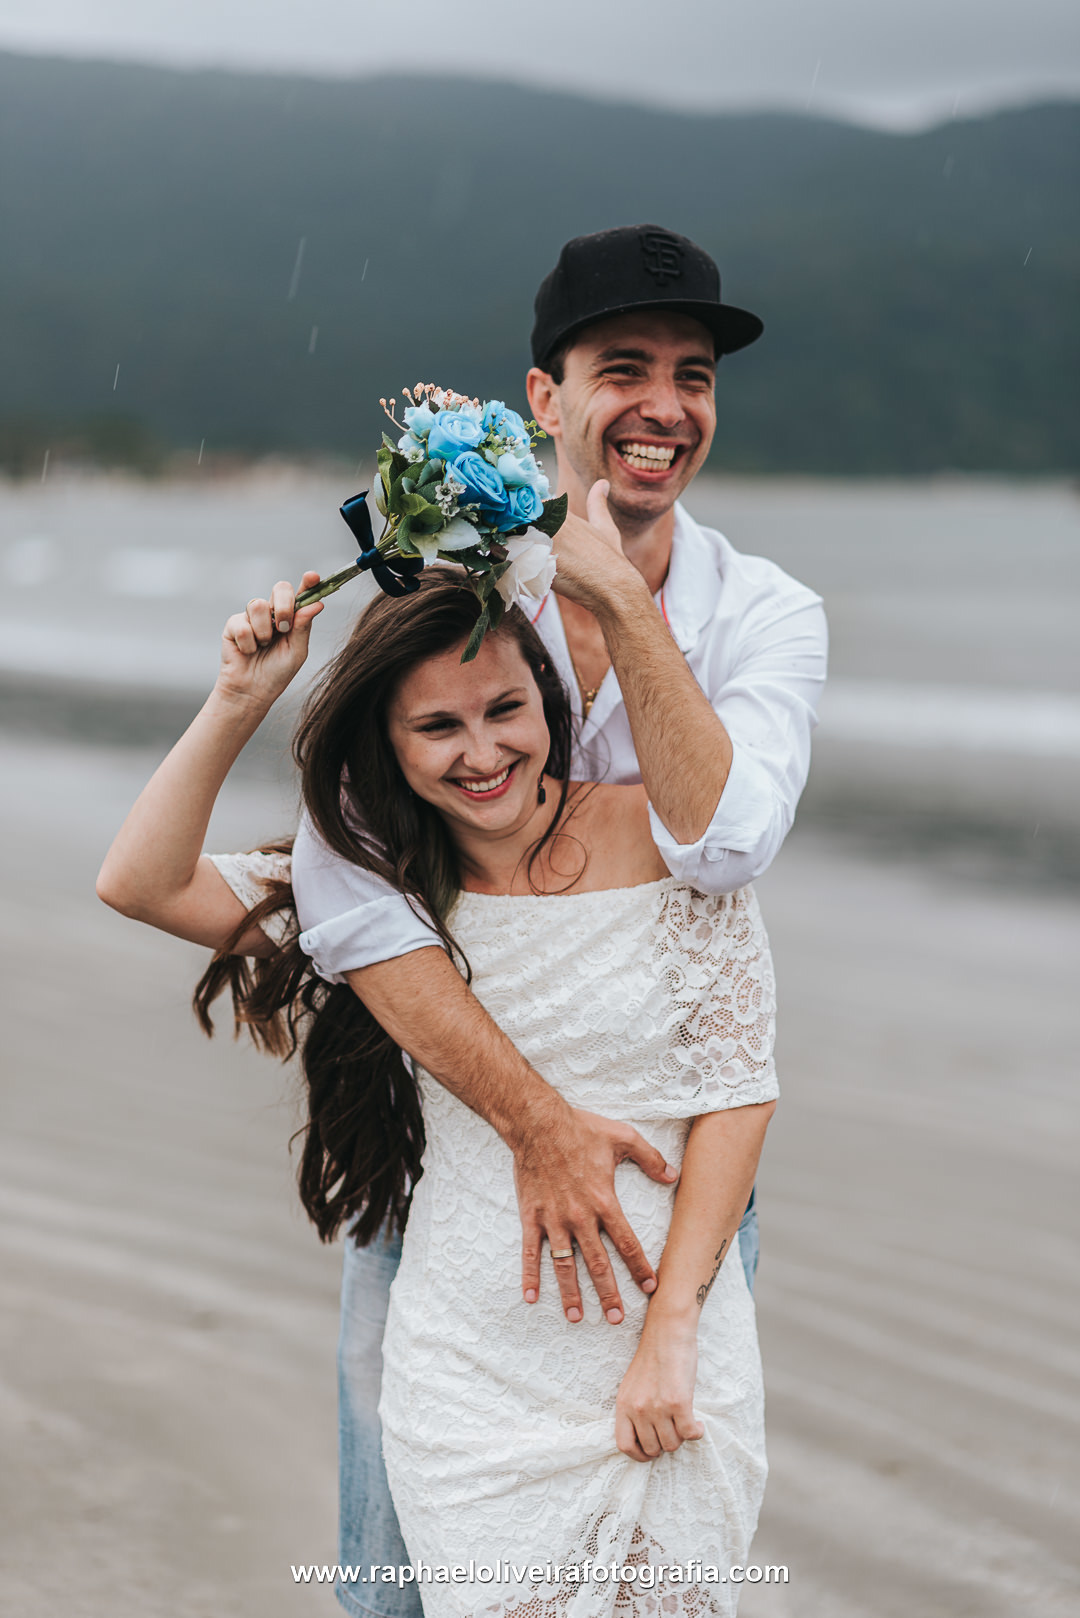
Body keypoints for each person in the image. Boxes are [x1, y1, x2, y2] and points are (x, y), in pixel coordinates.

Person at [289, 225, 827, 1617]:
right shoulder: (450, 594)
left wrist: (612, 602)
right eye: (624, 369)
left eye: (694, 377)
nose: (664, 407)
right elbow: (347, 882)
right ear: (545, 398)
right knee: (395, 1575)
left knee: (663, 1559)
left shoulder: (767, 614)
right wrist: (534, 1125)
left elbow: (724, 844)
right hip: (459, 1174)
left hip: (671, 1190)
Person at [98, 566, 779, 1618]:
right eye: (437, 728)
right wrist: (241, 694)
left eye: (507, 708)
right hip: (473, 1373)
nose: (483, 751)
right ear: (392, 746)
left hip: (667, 1342)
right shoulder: (368, 898)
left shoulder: (665, 839)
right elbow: (140, 881)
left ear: (548, 705)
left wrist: (674, 1327)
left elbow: (739, 1092)